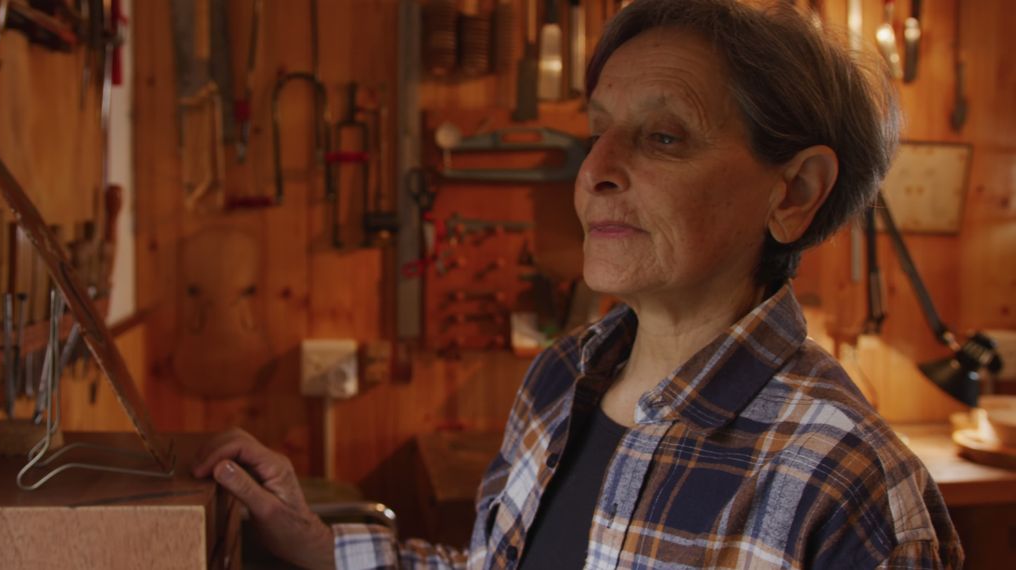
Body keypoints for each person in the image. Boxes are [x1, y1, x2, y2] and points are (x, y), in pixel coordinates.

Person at [194, 0, 964, 567]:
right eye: (597, 131)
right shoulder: (560, 381)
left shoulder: (849, 487)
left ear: (793, 192)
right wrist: (319, 545)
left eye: (663, 137)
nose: (594, 171)